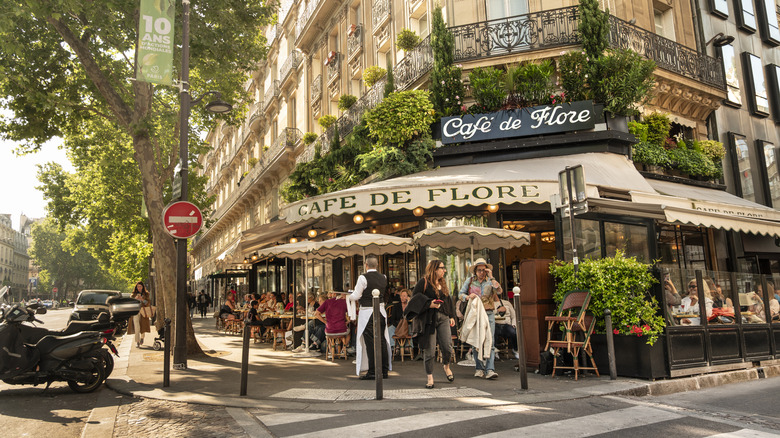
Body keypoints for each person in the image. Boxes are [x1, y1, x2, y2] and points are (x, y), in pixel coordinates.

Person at [406, 260, 456, 389]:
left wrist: (451, 316)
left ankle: (446, 366)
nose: (444, 270)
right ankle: (430, 376)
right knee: (430, 350)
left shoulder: (443, 283)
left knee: (447, 346)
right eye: (442, 268)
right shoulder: (424, 282)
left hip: (443, 317)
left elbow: (448, 300)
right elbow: (415, 298)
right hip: (429, 319)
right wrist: (429, 303)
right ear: (434, 269)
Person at [347, 255, 391, 380]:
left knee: (370, 342)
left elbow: (356, 295)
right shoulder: (383, 277)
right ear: (377, 265)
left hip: (367, 313)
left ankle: (373, 371)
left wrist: (347, 297)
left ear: (366, 265)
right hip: (381, 312)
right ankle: (384, 370)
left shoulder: (362, 278)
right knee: (382, 340)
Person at [458, 258, 501, 379]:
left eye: (484, 270)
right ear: (475, 271)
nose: (481, 272)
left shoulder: (490, 281)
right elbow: (460, 294)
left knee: (490, 341)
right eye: (479, 270)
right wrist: (468, 297)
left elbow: (499, 290)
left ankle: (490, 369)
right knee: (476, 341)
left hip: (488, 313)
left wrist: (492, 277)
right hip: (476, 313)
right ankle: (479, 368)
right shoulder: (470, 281)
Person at [314, 292, 349, 358]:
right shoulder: (344, 302)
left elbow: (316, 314)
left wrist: (325, 322)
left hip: (329, 330)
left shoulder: (327, 302)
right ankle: (343, 350)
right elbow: (351, 314)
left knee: (327, 334)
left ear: (335, 294)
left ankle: (331, 351)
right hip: (341, 330)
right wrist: (348, 321)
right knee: (349, 333)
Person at [494, 289, 519, 359]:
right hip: (495, 323)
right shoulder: (489, 305)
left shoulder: (507, 303)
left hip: (506, 324)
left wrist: (514, 324)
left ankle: (515, 349)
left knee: (514, 332)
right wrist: (497, 310)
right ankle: (494, 351)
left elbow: (514, 316)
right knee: (492, 332)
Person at [128, 282, 151, 348]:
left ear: (143, 287)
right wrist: (136, 299)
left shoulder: (146, 294)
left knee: (143, 325)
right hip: (136, 311)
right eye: (138, 286)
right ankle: (137, 341)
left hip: (143, 311)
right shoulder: (133, 294)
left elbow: (148, 303)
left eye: (140, 286)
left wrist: (142, 299)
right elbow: (130, 302)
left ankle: (142, 338)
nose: (139, 288)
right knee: (136, 326)